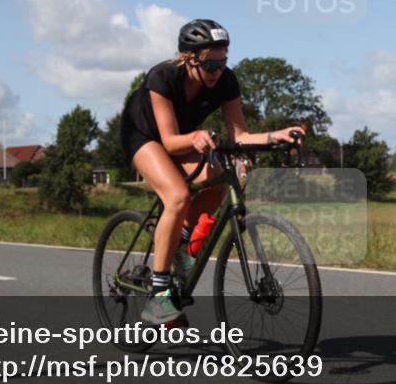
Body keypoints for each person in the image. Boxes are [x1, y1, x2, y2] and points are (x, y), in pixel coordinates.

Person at [119, 19, 306, 324]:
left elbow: (240, 136)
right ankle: (159, 296)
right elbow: (168, 141)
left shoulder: (226, 81)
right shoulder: (163, 76)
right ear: (189, 59)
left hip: (186, 136)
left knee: (217, 184)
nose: (217, 71)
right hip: (144, 137)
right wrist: (195, 137)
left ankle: (178, 243)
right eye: (210, 64)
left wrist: (276, 136)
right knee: (178, 196)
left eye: (223, 62)